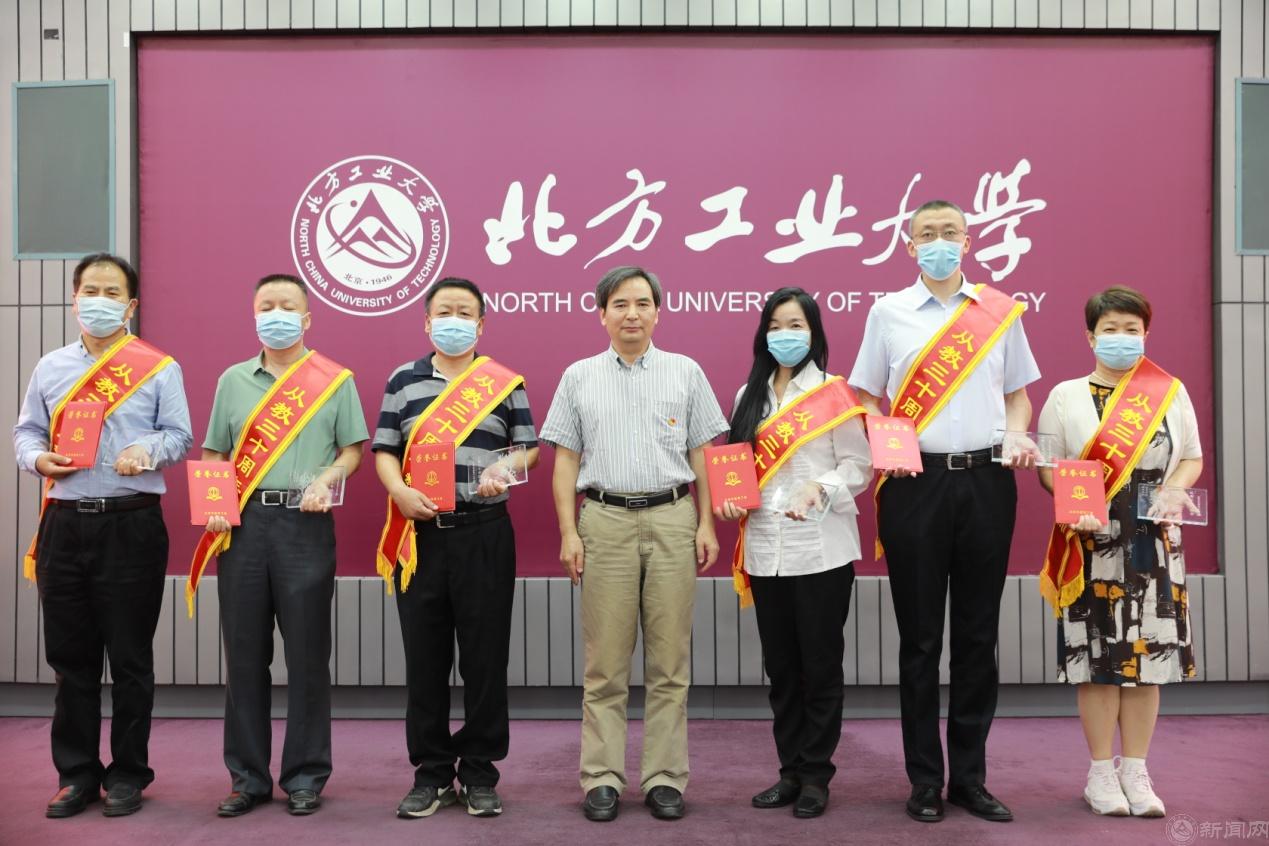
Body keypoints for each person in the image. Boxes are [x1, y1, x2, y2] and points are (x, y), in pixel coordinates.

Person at [848, 200, 1041, 824]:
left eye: (949, 232)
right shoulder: (889, 312)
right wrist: (888, 443)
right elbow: (863, 395)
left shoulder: (997, 311)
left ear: (967, 240)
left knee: (978, 637)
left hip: (987, 481)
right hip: (916, 484)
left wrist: (1017, 432)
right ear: (909, 246)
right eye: (926, 234)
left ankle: (970, 780)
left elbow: (1018, 395)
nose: (939, 242)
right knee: (921, 640)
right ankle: (925, 780)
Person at [539, 266, 728, 822]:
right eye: (620, 304)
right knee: (605, 665)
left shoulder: (685, 371)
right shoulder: (578, 376)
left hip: (673, 518)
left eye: (643, 303)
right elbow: (565, 461)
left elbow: (701, 454)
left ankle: (665, 778)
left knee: (670, 663)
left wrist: (707, 524)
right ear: (602, 313)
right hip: (604, 520)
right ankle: (601, 777)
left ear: (657, 312)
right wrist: (569, 532)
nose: (632, 314)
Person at [13, 253, 193, 818]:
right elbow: (26, 432)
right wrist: (38, 460)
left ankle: (129, 774)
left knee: (131, 658)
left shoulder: (158, 367)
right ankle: (77, 774)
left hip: (130, 522)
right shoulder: (51, 367)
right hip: (65, 523)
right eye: (90, 290)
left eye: (112, 292)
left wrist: (148, 449)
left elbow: (180, 435)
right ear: (74, 300)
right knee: (71, 658)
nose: (99, 301)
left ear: (130, 305)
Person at [195, 274, 368, 817]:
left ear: (307, 317)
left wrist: (328, 479)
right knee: (244, 656)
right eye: (266, 306)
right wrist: (215, 505)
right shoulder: (232, 380)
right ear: (254, 316)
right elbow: (215, 452)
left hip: (305, 525)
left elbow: (353, 449)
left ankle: (305, 775)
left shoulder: (334, 379)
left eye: (287, 306)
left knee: (308, 656)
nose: (277, 314)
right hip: (243, 527)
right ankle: (247, 778)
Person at [372, 277, 539, 819]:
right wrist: (399, 492)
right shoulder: (403, 380)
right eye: (444, 311)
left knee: (485, 659)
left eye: (464, 312)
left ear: (481, 324)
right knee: (425, 660)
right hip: (421, 537)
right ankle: (432, 774)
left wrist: (503, 467)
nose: (454, 320)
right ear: (427, 322)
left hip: (484, 532)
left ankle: (481, 772)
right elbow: (384, 450)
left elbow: (529, 449)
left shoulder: (503, 382)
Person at [1037, 285, 1201, 818]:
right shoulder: (1065, 395)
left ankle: (1136, 770)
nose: (1121, 338)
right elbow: (1049, 465)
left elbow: (1191, 457)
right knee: (1097, 663)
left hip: (1153, 542)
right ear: (1091, 337)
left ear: (1145, 334)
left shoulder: (1168, 391)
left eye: (1132, 329)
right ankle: (1100, 774)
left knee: (1148, 661)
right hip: (1091, 543)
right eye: (1110, 329)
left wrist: (1175, 488)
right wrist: (1073, 503)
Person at [714, 287, 871, 819]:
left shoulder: (834, 392)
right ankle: (789, 771)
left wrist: (819, 487)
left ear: (814, 333)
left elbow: (858, 466)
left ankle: (816, 776)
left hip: (821, 551)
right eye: (776, 325)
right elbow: (737, 469)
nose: (785, 335)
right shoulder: (748, 396)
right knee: (781, 670)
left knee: (820, 667)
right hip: (765, 550)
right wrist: (730, 501)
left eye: (796, 325)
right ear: (764, 333)